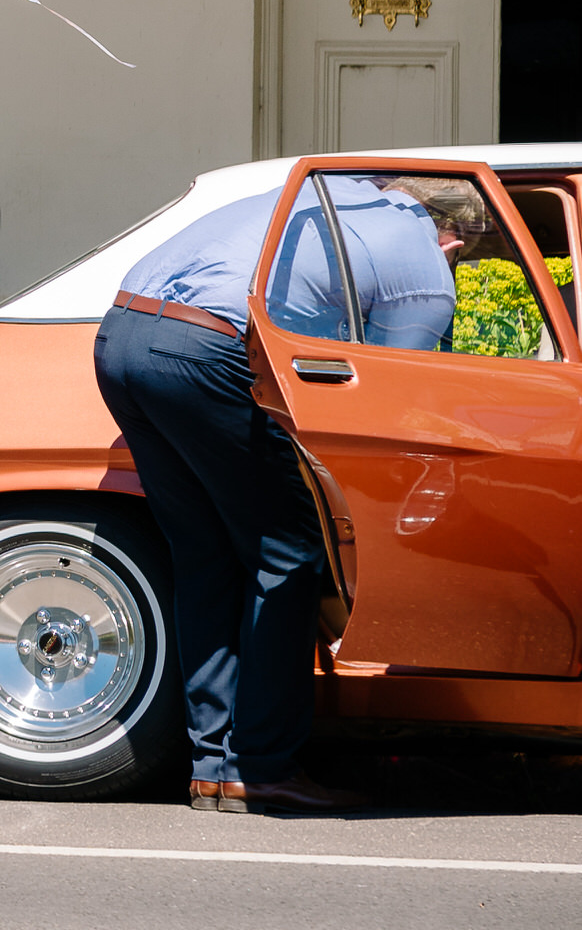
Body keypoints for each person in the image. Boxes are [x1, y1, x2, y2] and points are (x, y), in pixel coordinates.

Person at [93, 174, 458, 814]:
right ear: (455, 235)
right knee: (286, 550)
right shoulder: (422, 252)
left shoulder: (331, 198)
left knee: (205, 556)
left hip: (120, 332)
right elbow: (404, 395)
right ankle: (260, 766)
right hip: (206, 347)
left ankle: (212, 767)